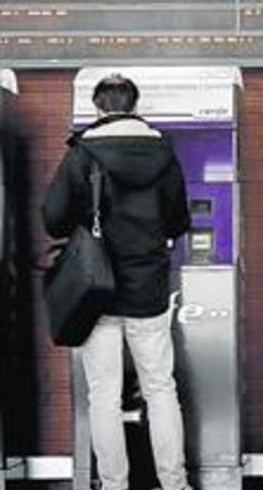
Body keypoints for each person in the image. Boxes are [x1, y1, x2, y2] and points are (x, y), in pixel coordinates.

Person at [43, 75, 192, 490]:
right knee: (161, 388)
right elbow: (180, 219)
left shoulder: (82, 153)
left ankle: (113, 484)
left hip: (98, 289)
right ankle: (174, 482)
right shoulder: (164, 152)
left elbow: (52, 217)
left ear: (98, 107)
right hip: (149, 289)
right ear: (134, 103)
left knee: (103, 395)